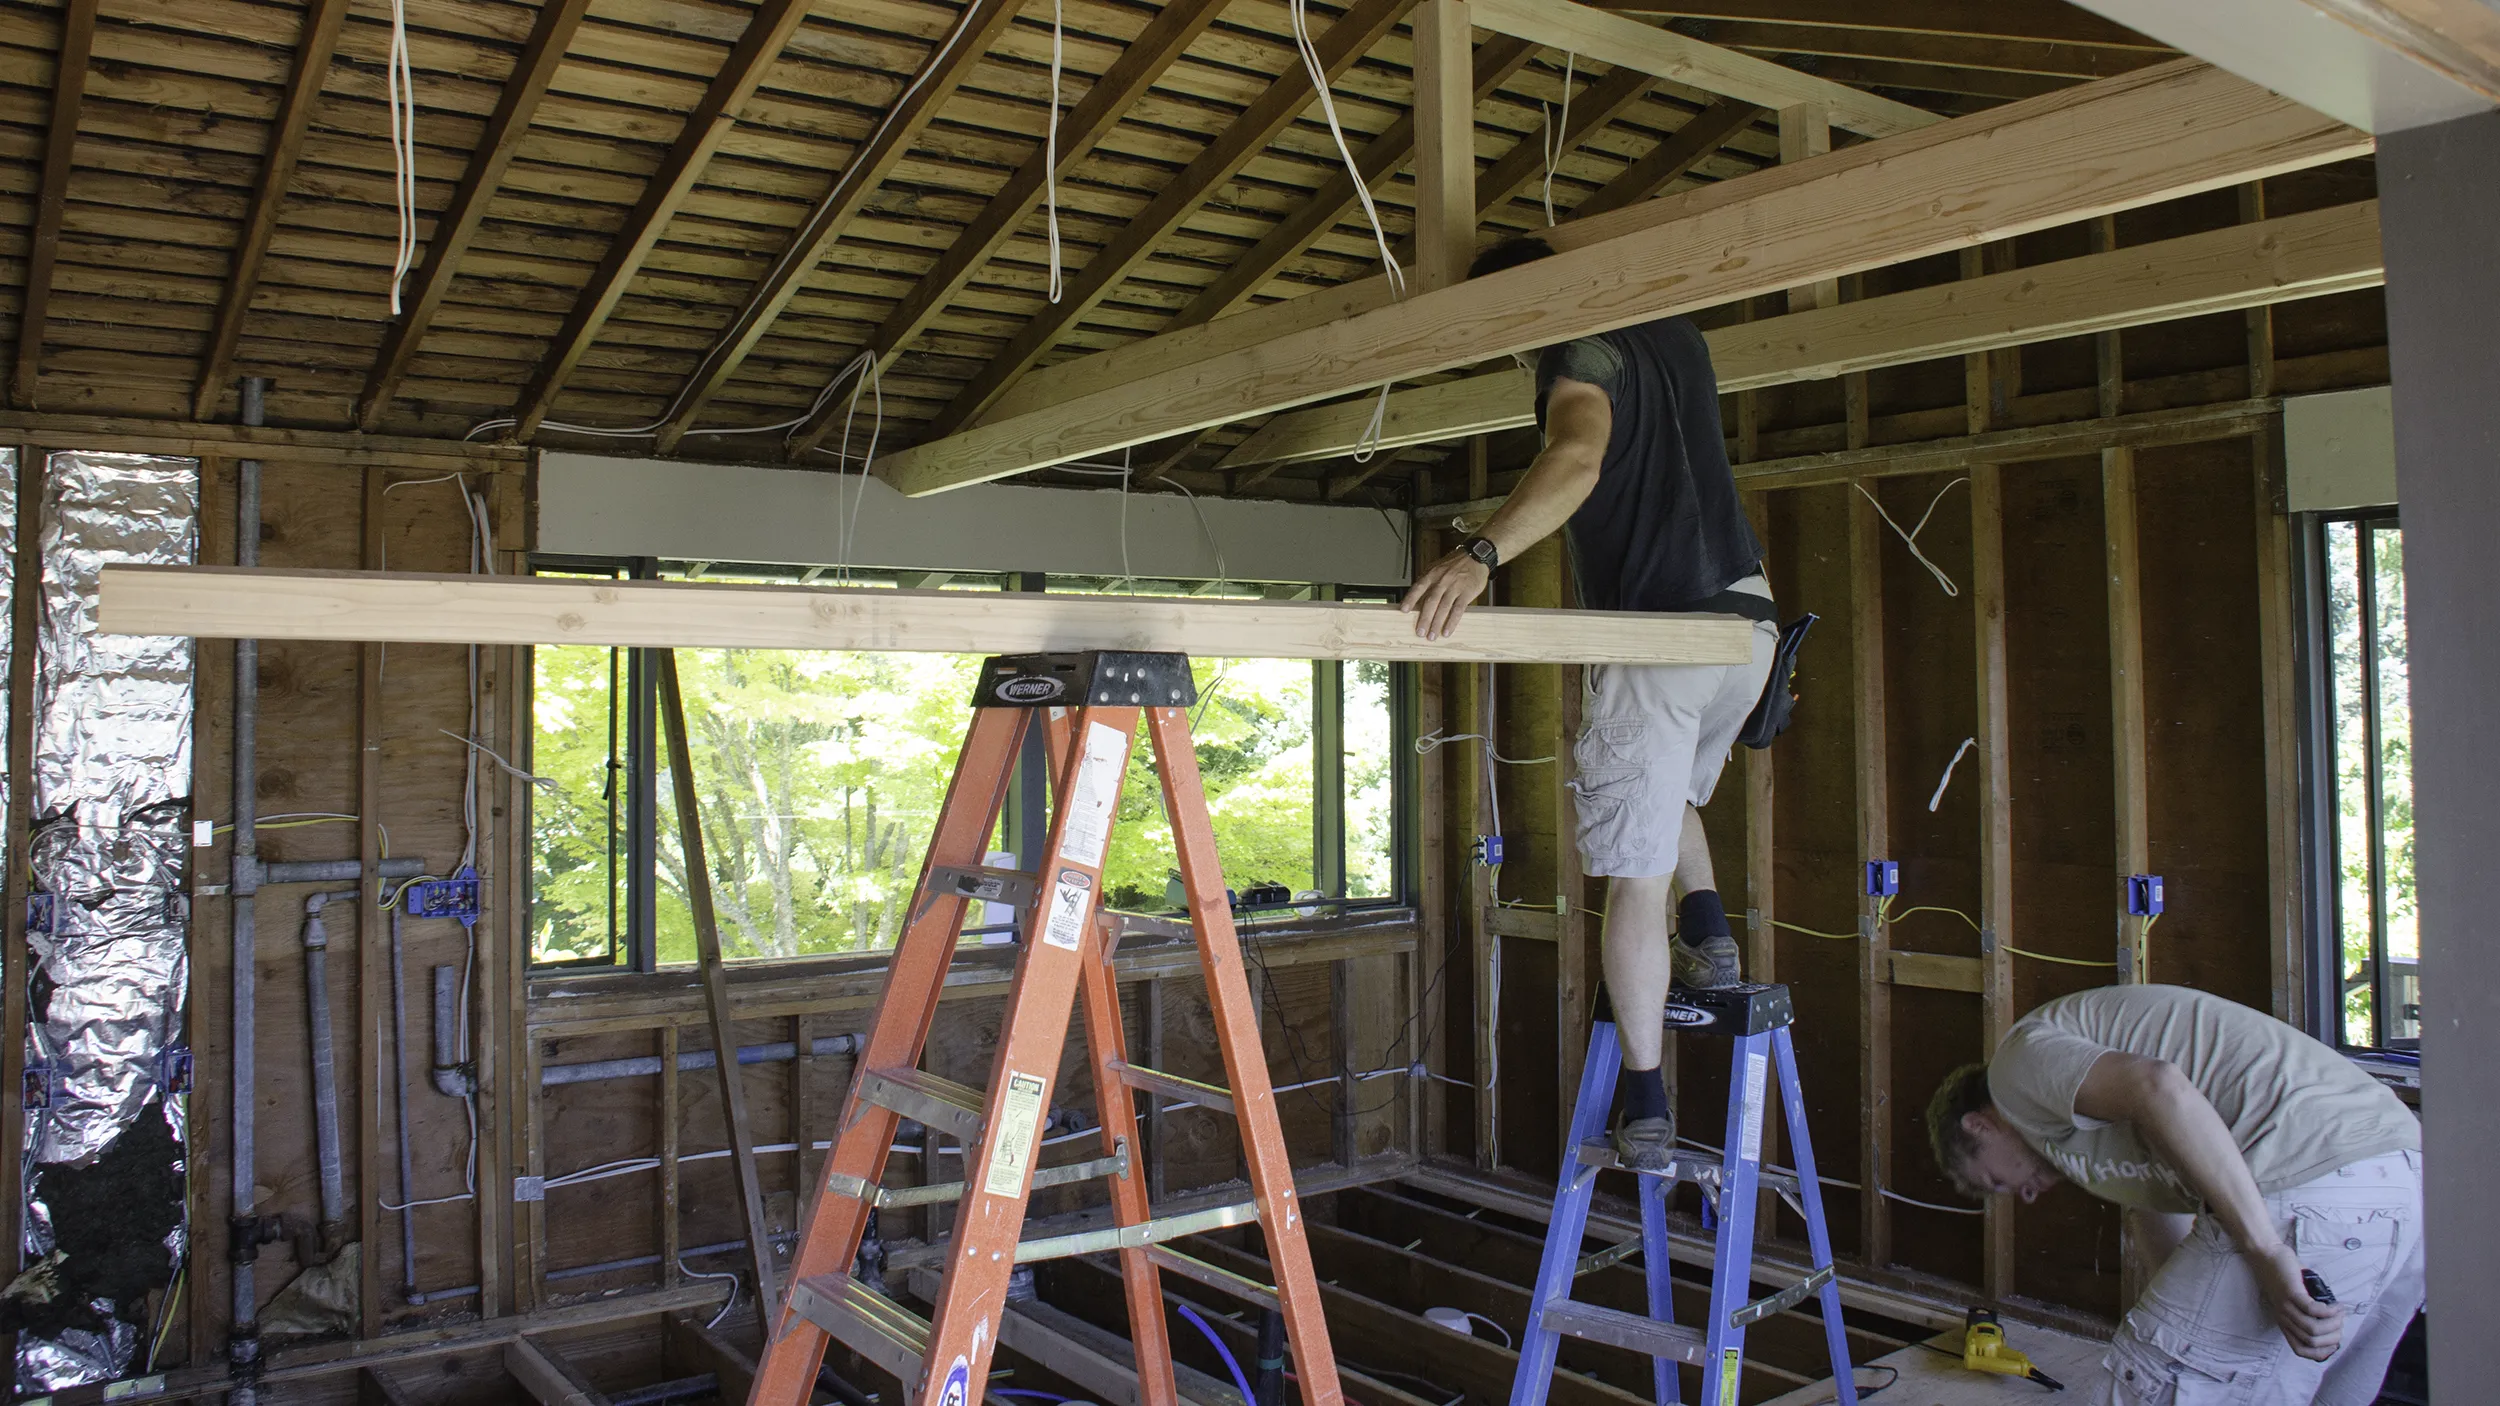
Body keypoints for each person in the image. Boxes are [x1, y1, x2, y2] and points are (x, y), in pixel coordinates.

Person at [1399, 234, 1777, 1172]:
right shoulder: (1676, 331)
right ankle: (1712, 931)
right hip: (1749, 625)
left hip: (1663, 634)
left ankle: (1645, 1100)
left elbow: (1577, 458)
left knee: (1628, 880)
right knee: (1669, 794)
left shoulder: (1578, 355)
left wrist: (1477, 556)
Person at [1928, 984, 2423, 1405]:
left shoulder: (2015, 1070)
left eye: (1995, 1181)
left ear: (1979, 1125)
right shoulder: (2088, 1141)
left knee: (2143, 1390)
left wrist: (2264, 1247)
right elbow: (2156, 1214)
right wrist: (2189, 1314)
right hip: (2399, 1180)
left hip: (2305, 1168)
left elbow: (2157, 1085)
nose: (2024, 1195)